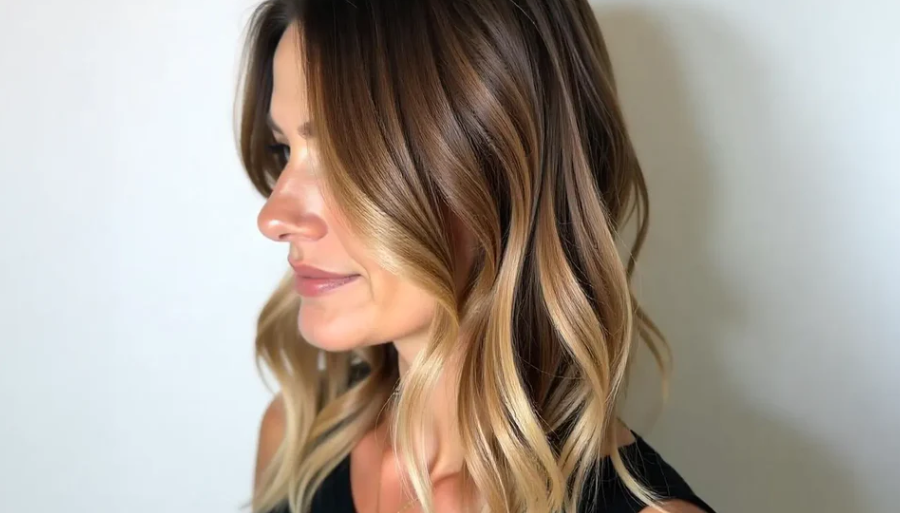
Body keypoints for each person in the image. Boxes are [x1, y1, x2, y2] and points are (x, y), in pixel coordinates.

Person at [236, 0, 716, 512]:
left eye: (345, 156)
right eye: (284, 151)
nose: (273, 217)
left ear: (499, 169)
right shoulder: (296, 441)